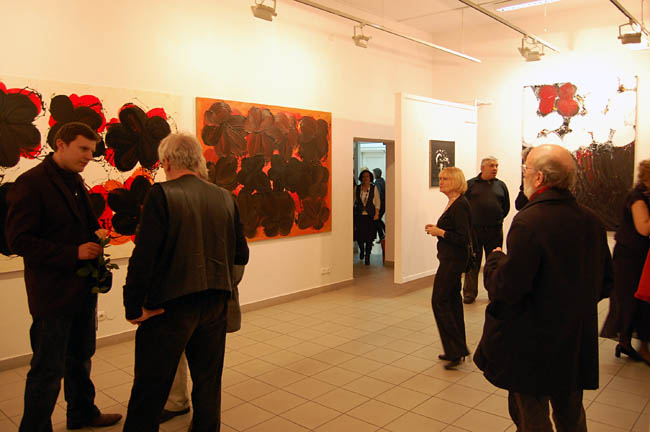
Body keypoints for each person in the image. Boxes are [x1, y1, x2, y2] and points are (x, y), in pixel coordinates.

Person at [474, 144, 613, 431]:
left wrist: (495, 261)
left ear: (539, 178)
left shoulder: (529, 222)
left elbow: (507, 288)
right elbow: (604, 283)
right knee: (571, 414)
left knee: (532, 417)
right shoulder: (592, 221)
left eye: (526, 170)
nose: (523, 175)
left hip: (532, 343)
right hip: (572, 340)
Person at [122, 133, 249, 431]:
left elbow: (144, 257)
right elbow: (241, 254)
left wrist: (133, 306)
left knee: (150, 388)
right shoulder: (225, 197)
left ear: (167, 162)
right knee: (208, 384)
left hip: (169, 308)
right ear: (197, 161)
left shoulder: (161, 195)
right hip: (215, 304)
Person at [5, 122, 122, 430]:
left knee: (81, 358)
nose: (88, 156)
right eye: (83, 149)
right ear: (60, 144)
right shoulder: (31, 183)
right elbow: (19, 241)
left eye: (91, 151)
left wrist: (96, 239)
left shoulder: (75, 181)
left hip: (82, 290)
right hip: (52, 295)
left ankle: (82, 413)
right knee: (47, 368)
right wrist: (73, 253)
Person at [601, 160, 650, 365]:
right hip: (630, 257)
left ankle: (628, 342)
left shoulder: (642, 196)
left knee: (635, 301)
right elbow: (644, 229)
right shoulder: (637, 198)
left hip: (637, 255)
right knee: (631, 300)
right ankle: (628, 342)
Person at [425, 167, 472, 370]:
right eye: (440, 178)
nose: (441, 181)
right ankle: (456, 349)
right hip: (449, 258)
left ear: (455, 181)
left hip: (453, 260)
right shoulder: (454, 202)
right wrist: (438, 230)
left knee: (439, 301)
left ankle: (456, 349)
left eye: (445, 179)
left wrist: (440, 232)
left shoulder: (460, 205)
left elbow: (463, 238)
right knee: (452, 302)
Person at [462, 156, 510, 304]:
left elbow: (506, 207)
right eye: (491, 166)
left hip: (494, 230)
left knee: (494, 262)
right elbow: (463, 205)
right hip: (474, 230)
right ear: (482, 168)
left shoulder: (501, 185)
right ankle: (469, 293)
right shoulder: (470, 185)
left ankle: (494, 292)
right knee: (473, 261)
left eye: (496, 166)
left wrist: (496, 219)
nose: (495, 168)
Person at [354, 169, 380, 265]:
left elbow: (377, 201)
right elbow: (353, 200)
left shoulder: (374, 188)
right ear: (361, 178)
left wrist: (377, 214)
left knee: (369, 237)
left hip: (370, 216)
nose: (365, 178)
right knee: (360, 237)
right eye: (364, 176)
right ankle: (362, 250)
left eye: (367, 176)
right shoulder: (357, 188)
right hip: (359, 216)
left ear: (370, 178)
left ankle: (367, 255)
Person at [372, 168, 386, 242]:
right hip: (384, 204)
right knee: (378, 220)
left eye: (373, 173)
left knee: (376, 220)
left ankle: (382, 235)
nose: (373, 174)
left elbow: (378, 193)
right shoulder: (382, 180)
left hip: (380, 204)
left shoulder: (377, 182)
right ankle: (384, 233)